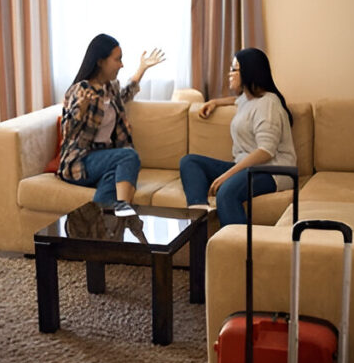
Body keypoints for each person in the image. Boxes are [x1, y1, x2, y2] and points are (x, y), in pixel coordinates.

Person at [179, 47, 296, 226]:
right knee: (190, 161)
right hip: (248, 168)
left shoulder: (268, 104)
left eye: (234, 69)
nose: (229, 74)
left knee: (227, 191)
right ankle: (200, 218)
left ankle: (237, 250)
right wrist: (214, 102)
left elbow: (265, 151)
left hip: (273, 172)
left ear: (249, 72)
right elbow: (236, 101)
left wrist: (227, 175)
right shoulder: (249, 99)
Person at [56, 34, 165, 216]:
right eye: (117, 59)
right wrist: (80, 111)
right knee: (128, 156)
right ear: (100, 61)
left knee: (111, 184)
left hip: (104, 160)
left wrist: (142, 69)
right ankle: (124, 209)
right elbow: (68, 134)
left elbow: (125, 94)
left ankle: (103, 231)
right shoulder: (81, 90)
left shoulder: (110, 88)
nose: (121, 65)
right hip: (80, 161)